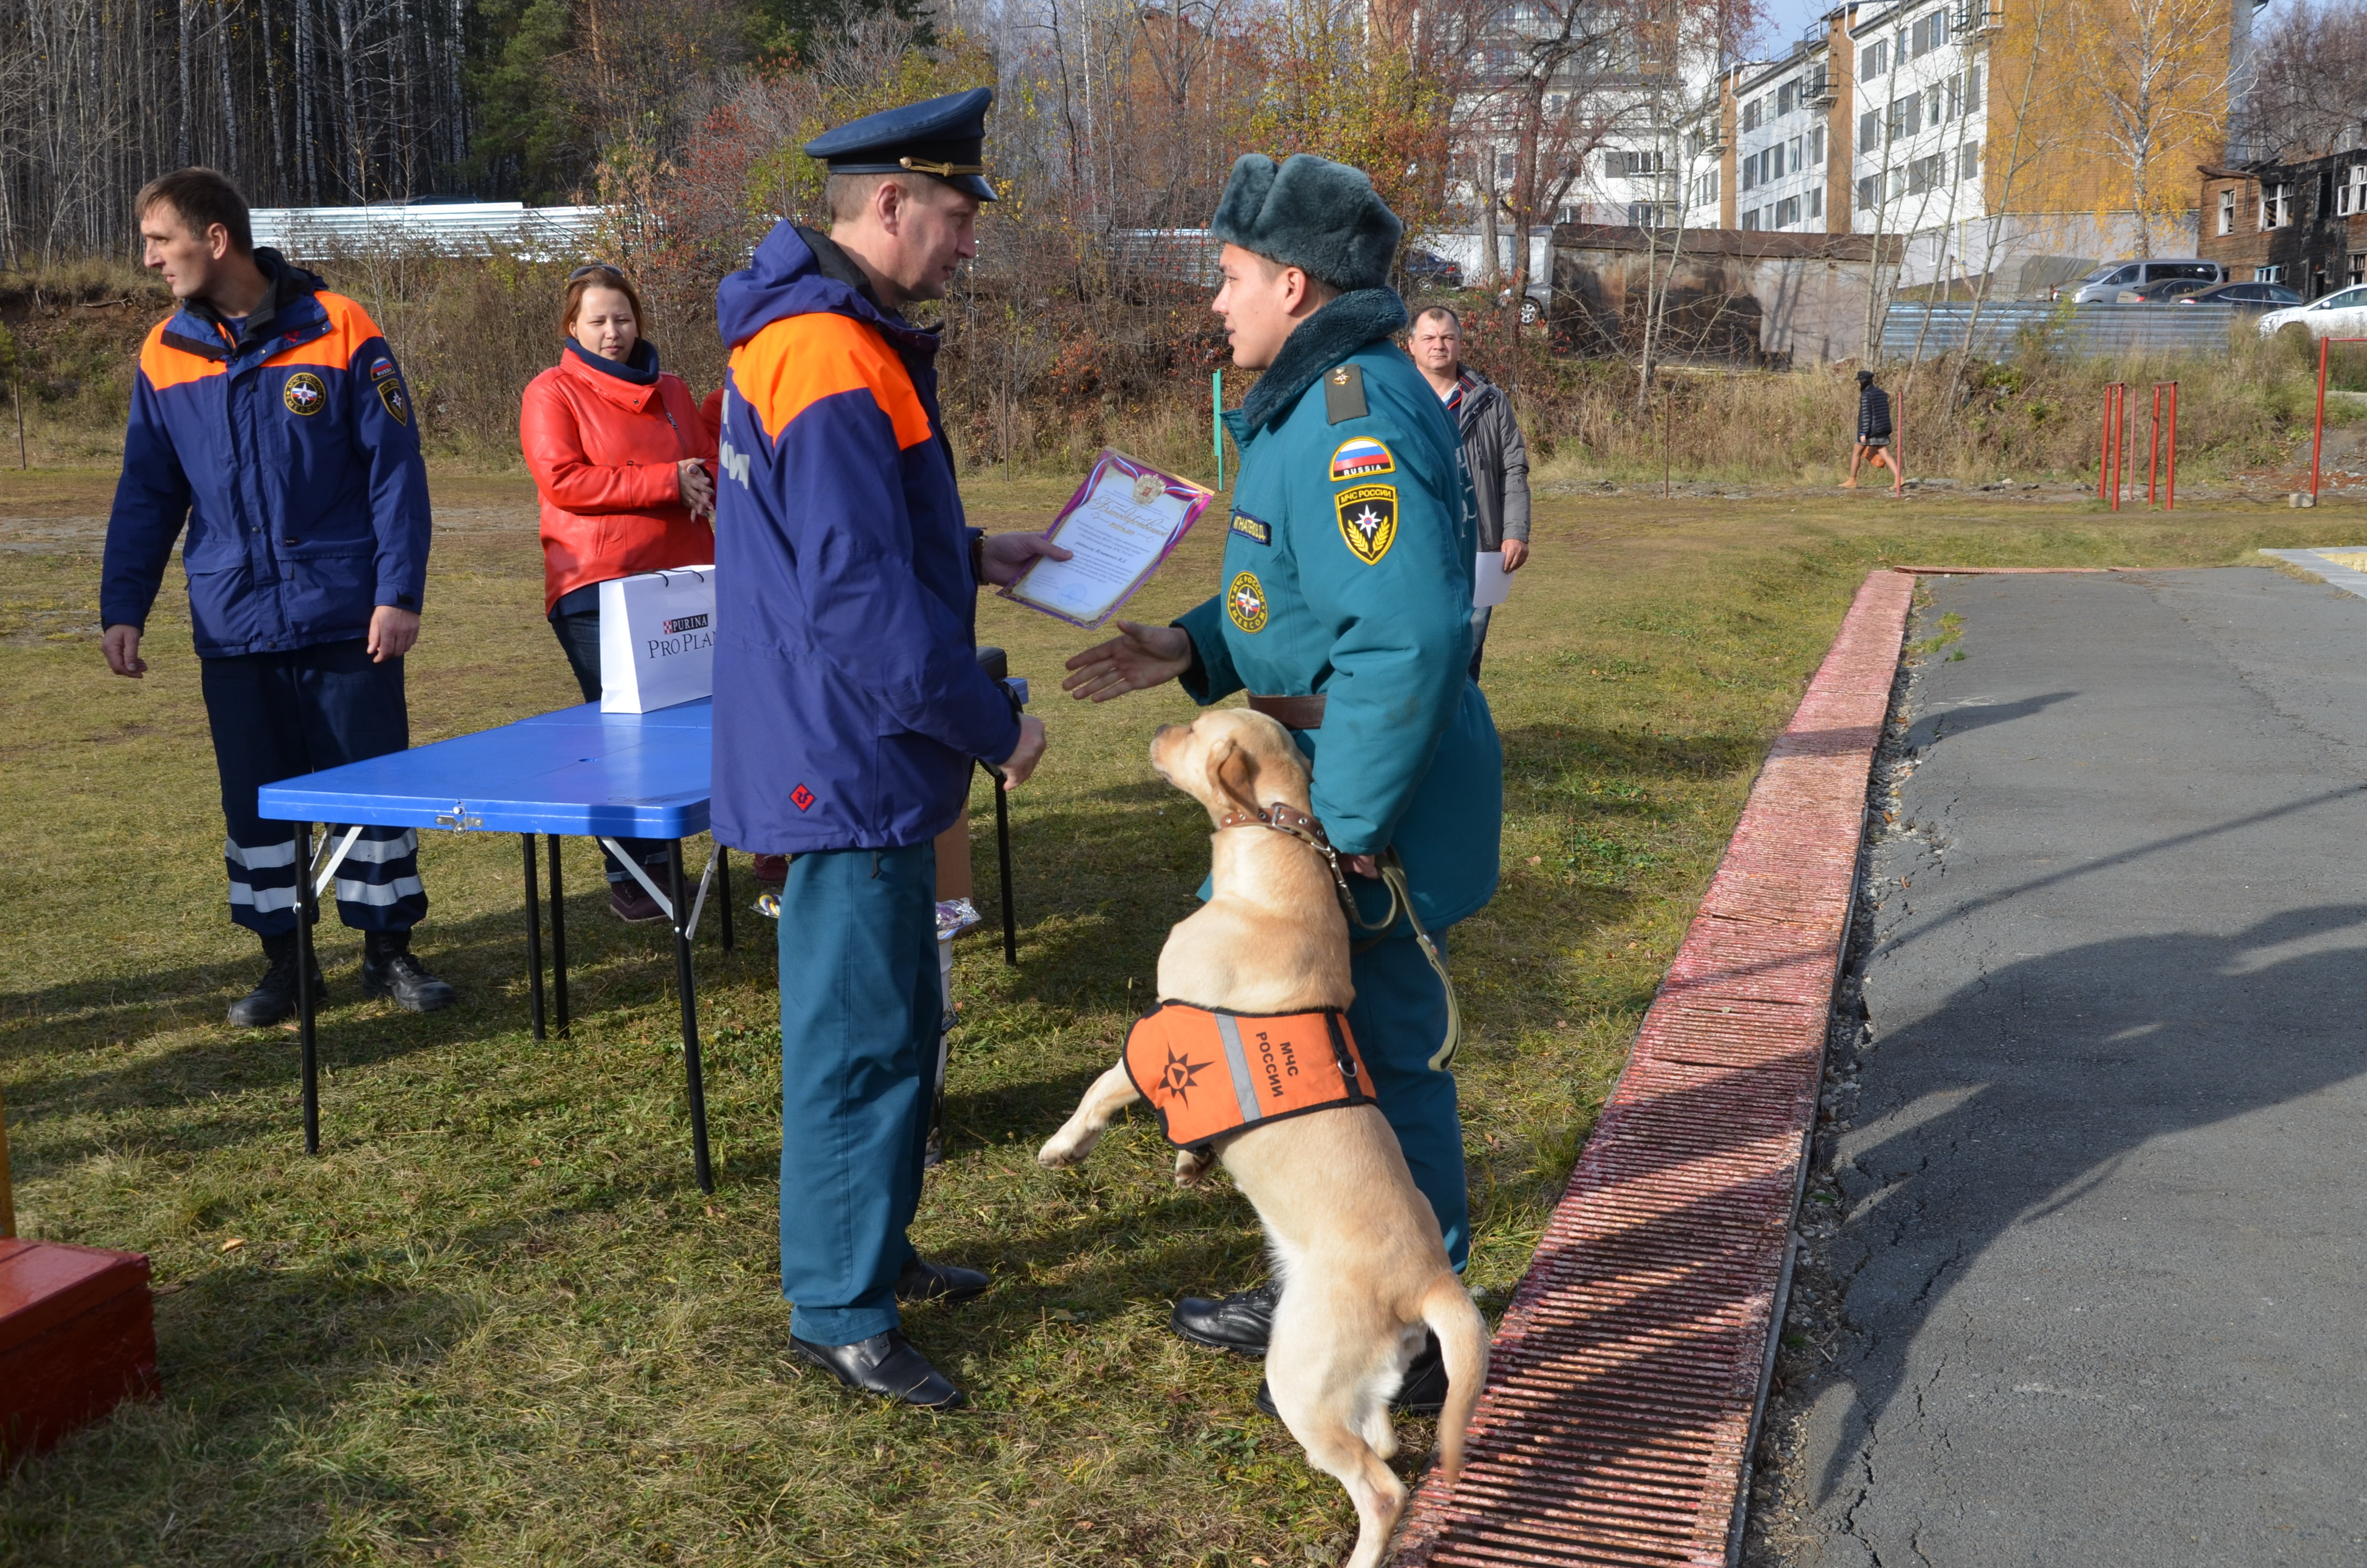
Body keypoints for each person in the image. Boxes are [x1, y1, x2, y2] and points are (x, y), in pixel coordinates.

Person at [1061, 153, 1503, 1411]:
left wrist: (1345, 830)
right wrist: (1190, 643)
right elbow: (1299, 592)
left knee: (1383, 1054)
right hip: (1319, 786)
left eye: (1232, 274)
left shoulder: (1350, 413)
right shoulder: (1310, 398)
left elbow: (1403, 639)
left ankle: (1412, 1323)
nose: (1216, 299)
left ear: (1293, 282)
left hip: (1363, 794)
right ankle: (1334, 1272)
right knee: (1319, 1058)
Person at [709, 87, 1069, 1410]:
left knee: (903, 1016)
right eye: (959, 216)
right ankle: (838, 1307)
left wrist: (978, 552)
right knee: (859, 1035)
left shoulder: (841, 337)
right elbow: (856, 602)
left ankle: (876, 1248)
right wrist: (996, 729)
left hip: (855, 741)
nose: (969, 242)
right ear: (888, 204)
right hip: (845, 749)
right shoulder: (825, 351)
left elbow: (849, 541)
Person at [100, 168, 456, 1024]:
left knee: (370, 785)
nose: (148, 259)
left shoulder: (340, 328)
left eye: (160, 240)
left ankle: (388, 952)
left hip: (346, 614)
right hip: (235, 624)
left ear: (214, 239)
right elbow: (148, 493)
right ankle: (286, 964)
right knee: (256, 801)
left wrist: (398, 590)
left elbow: (394, 472)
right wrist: (124, 605)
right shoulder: (164, 353)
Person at [520, 263, 719, 922]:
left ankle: (688, 860)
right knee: (622, 735)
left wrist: (697, 474)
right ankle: (632, 876)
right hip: (596, 584)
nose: (614, 332)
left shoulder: (674, 389)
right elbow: (563, 480)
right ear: (571, 326)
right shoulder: (552, 392)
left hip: (684, 579)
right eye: (598, 320)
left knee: (686, 724)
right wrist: (666, 480)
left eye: (623, 318)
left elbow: (707, 462)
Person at [1408, 304, 1530, 679]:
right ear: (1411, 344)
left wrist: (1515, 532)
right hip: (1412, 545)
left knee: (1468, 648)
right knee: (1417, 648)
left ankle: (1462, 732)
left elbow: (1513, 469)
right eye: (1429, 337)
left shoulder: (1491, 401)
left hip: (1479, 547)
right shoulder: (1394, 398)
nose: (1438, 345)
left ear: (1460, 343)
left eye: (1447, 337)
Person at [1845, 368, 1905, 494]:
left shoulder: (1866, 395)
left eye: (1859, 382)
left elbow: (1866, 416)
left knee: (1856, 453)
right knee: (1886, 455)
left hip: (1870, 430)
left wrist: (1863, 433)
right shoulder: (1881, 393)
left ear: (1863, 382)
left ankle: (1852, 480)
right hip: (1881, 428)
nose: (1858, 384)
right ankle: (1899, 478)